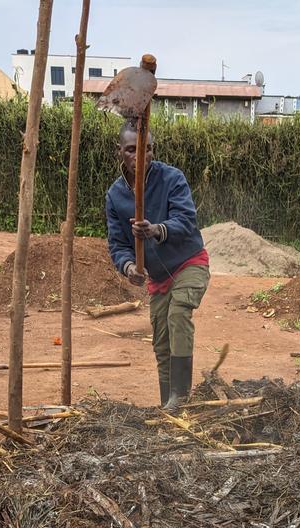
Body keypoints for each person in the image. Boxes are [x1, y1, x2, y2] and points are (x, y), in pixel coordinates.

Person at [106, 122, 209, 410]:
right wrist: (129, 268)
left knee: (178, 314)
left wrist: (157, 230)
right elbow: (117, 244)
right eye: (132, 150)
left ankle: (181, 396)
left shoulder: (172, 179)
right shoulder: (115, 196)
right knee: (161, 341)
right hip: (159, 277)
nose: (141, 156)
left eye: (147, 149)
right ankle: (169, 404)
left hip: (189, 263)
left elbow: (186, 221)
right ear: (119, 153)